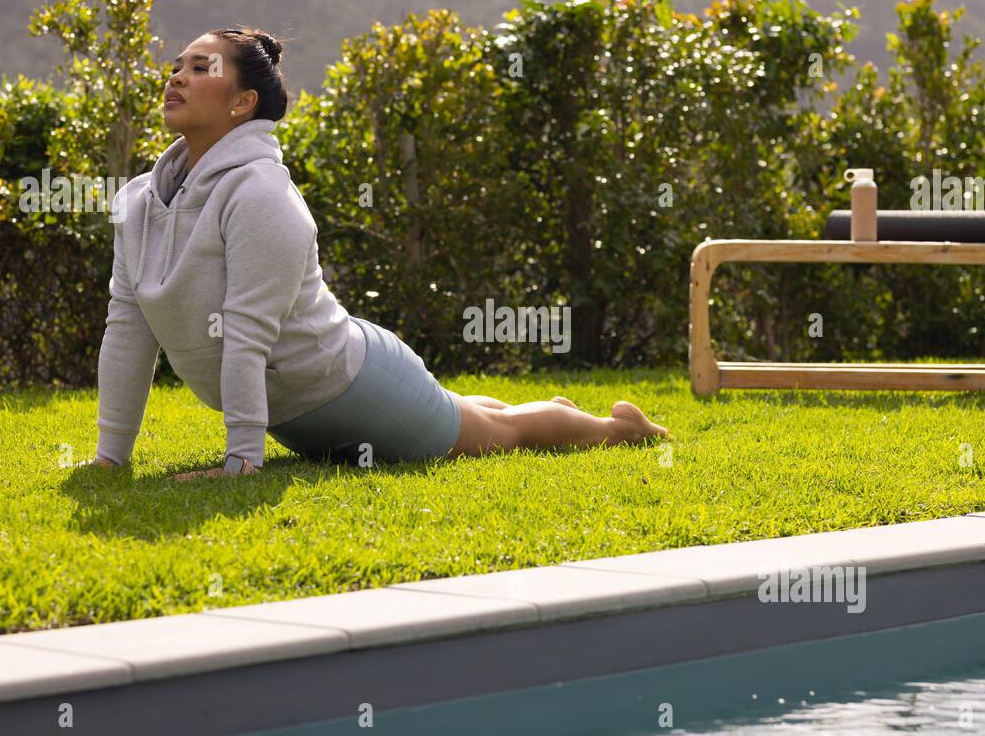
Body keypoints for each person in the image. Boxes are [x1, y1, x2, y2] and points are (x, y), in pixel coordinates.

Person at [82, 26, 667, 480]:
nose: (177, 76)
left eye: (200, 68)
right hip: (298, 409)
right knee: (462, 412)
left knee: (498, 434)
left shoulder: (261, 195)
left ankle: (619, 429)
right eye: (176, 66)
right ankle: (536, 406)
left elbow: (247, 334)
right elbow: (128, 329)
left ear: (242, 103)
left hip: (352, 385)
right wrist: (111, 457)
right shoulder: (138, 202)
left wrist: (241, 460)